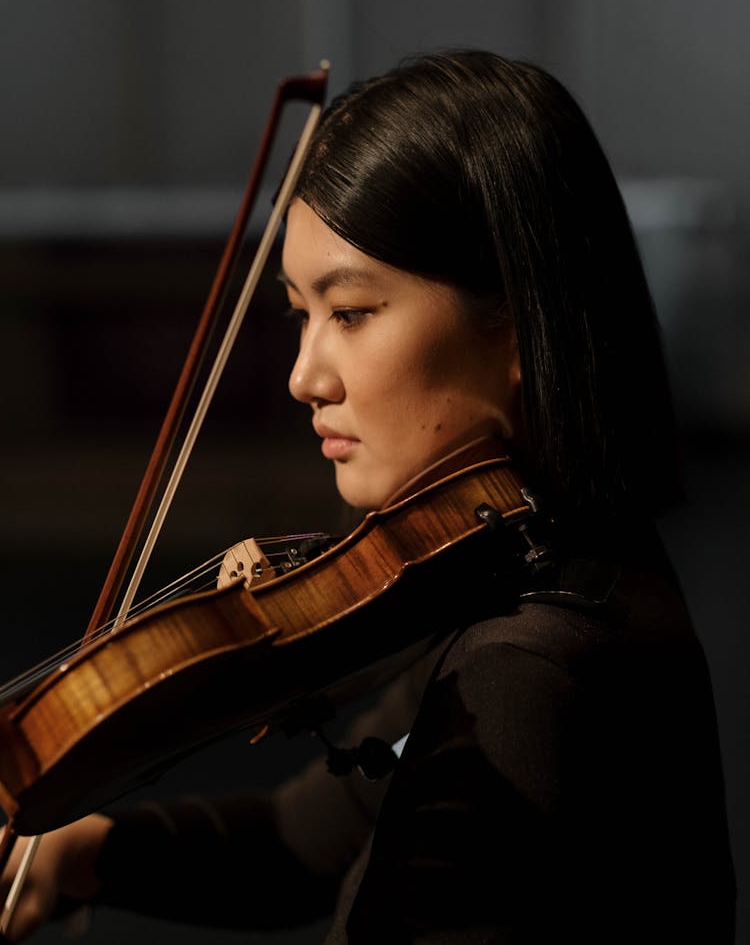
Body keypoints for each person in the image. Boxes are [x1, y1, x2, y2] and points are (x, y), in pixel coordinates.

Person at [0, 49, 736, 942]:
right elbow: (305, 842)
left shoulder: (530, 670)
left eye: (349, 312)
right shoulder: (529, 563)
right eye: (298, 313)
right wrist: (85, 851)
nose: (306, 376)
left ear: (517, 325)